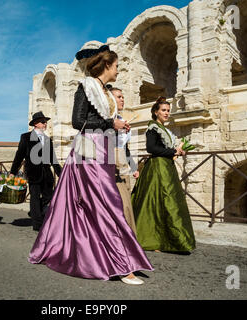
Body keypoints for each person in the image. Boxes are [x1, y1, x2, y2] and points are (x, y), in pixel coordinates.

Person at [29, 45, 153, 285]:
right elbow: (78, 121)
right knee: (107, 202)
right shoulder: (85, 86)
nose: (118, 70)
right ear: (106, 65)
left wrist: (116, 124)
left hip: (103, 149)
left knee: (93, 204)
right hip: (89, 150)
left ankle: (98, 255)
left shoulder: (105, 90)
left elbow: (102, 121)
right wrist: (110, 123)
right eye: (116, 66)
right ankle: (121, 263)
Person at [131, 97, 196, 253]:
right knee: (159, 201)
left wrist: (178, 151)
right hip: (157, 168)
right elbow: (151, 148)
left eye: (168, 110)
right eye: (163, 110)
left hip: (167, 167)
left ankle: (167, 239)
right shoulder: (153, 127)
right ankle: (153, 238)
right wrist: (173, 151)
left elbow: (165, 149)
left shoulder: (165, 129)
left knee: (168, 201)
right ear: (156, 112)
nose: (167, 113)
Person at [9, 111, 62, 231]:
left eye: (46, 122)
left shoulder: (48, 139)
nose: (45, 124)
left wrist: (61, 174)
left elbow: (53, 159)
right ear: (36, 124)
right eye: (43, 122)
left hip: (47, 173)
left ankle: (35, 212)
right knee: (35, 197)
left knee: (50, 196)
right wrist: (13, 171)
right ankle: (37, 224)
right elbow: (19, 155)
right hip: (33, 172)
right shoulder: (26, 137)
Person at [109, 87, 139, 233]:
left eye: (123, 96)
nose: (122, 99)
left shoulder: (123, 121)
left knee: (125, 198)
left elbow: (125, 148)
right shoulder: (104, 120)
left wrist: (134, 167)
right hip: (108, 160)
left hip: (122, 162)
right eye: (118, 96)